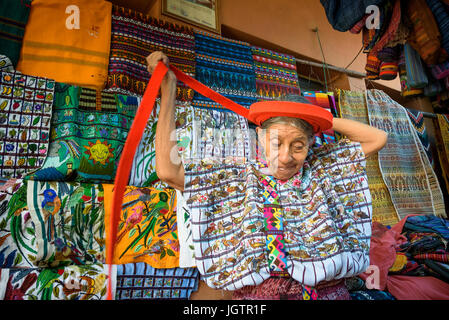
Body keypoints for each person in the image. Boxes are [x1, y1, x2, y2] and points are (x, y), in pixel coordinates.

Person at [146, 51, 388, 300]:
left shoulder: (321, 169)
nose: (286, 157)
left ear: (311, 144)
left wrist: (320, 119)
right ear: (261, 138)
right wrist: (169, 91)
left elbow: (377, 138)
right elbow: (168, 170)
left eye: (298, 146)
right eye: (277, 142)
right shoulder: (236, 179)